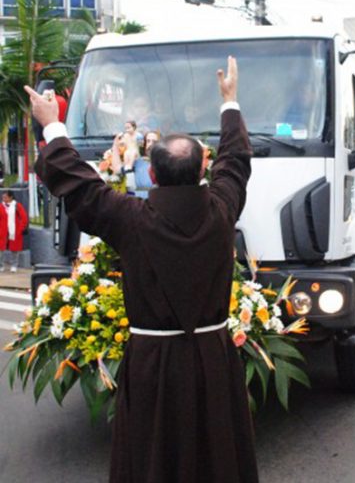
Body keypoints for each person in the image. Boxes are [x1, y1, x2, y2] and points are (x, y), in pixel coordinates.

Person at [25, 56, 258, 483]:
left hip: (153, 361)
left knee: (154, 456)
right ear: (203, 168)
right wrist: (230, 103)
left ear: (150, 172)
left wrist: (52, 124)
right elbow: (237, 161)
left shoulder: (130, 218)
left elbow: (78, 183)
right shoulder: (222, 209)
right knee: (216, 453)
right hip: (213, 356)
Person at [0, 190, 28, 273]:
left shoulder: (17, 206)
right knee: (1, 249)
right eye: (3, 197)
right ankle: (1, 265)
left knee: (15, 249)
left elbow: (24, 218)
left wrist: (20, 228)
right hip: (2, 230)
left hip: (15, 231)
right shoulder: (1, 206)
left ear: (10, 197)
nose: (3, 198)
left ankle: (14, 265)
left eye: (5, 197)